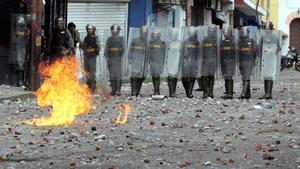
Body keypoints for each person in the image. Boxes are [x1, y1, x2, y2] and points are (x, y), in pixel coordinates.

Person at [259, 22, 281, 99]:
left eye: (267, 27)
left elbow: (279, 48)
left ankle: (268, 94)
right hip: (264, 59)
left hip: (271, 59)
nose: (266, 29)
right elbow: (260, 47)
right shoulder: (263, 37)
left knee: (270, 76)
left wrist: (272, 51)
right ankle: (266, 93)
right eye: (265, 28)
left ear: (271, 28)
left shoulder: (275, 37)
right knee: (265, 76)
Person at [8, 14, 29, 87]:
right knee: (17, 64)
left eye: (22, 25)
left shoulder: (25, 31)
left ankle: (21, 81)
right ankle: (17, 81)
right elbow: (14, 40)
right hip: (17, 48)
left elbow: (27, 39)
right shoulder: (15, 31)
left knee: (22, 64)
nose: (21, 26)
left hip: (22, 49)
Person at [128, 26, 148, 96]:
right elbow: (130, 50)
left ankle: (137, 91)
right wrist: (130, 59)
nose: (144, 33)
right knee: (134, 76)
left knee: (141, 77)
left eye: (145, 32)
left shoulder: (147, 42)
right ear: (140, 32)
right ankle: (133, 91)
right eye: (143, 32)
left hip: (143, 62)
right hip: (135, 60)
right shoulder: (135, 40)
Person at [105, 24, 124, 96]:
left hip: (118, 60)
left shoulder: (121, 39)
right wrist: (107, 57)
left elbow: (123, 49)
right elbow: (106, 50)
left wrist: (121, 57)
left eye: (116, 30)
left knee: (118, 76)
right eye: (113, 29)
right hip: (111, 60)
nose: (114, 31)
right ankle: (113, 90)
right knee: (112, 76)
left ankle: (118, 90)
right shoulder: (109, 39)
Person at [80, 24, 101, 93]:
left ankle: (92, 88)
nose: (89, 30)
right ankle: (88, 87)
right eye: (88, 29)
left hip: (92, 57)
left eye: (90, 29)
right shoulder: (86, 38)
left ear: (93, 30)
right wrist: (82, 46)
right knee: (87, 72)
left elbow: (98, 47)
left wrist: (93, 51)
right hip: (86, 57)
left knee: (92, 73)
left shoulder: (95, 38)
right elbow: (83, 47)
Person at [238, 27, 257, 99]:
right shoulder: (240, 42)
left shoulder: (252, 41)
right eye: (243, 32)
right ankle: (248, 93)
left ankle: (243, 93)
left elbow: (255, 51)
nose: (244, 33)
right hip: (242, 61)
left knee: (246, 77)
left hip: (249, 61)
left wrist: (253, 60)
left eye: (245, 32)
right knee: (244, 77)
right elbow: (238, 53)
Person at [181, 27, 199, 98]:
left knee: (192, 77)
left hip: (194, 61)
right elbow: (182, 52)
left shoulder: (197, 42)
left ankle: (190, 92)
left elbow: (199, 52)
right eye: (190, 32)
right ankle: (187, 91)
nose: (191, 33)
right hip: (186, 61)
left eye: (193, 32)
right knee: (184, 78)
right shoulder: (185, 42)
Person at [201, 25, 218, 99]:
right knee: (204, 76)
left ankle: (211, 92)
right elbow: (201, 50)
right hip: (205, 60)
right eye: (210, 31)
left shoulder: (217, 40)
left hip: (213, 60)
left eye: (213, 31)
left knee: (211, 76)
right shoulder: (204, 40)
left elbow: (218, 52)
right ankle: (205, 92)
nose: (211, 32)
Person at [220, 26, 236, 99]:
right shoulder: (222, 42)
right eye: (224, 31)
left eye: (227, 31)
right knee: (226, 77)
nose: (225, 33)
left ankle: (229, 94)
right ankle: (228, 92)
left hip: (230, 61)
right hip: (224, 61)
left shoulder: (234, 41)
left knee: (229, 76)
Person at [148, 29, 166, 96]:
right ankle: (155, 91)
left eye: (156, 34)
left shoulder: (162, 43)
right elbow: (149, 52)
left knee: (157, 77)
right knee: (153, 76)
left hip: (158, 62)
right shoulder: (150, 43)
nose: (155, 36)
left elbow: (163, 53)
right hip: (152, 62)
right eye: (154, 34)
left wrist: (162, 63)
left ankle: (157, 91)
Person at [165, 28, 181, 97]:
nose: (174, 35)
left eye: (175, 33)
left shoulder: (180, 43)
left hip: (176, 61)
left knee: (175, 77)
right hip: (170, 61)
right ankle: (171, 92)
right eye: (173, 33)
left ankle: (173, 92)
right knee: (170, 77)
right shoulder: (168, 43)